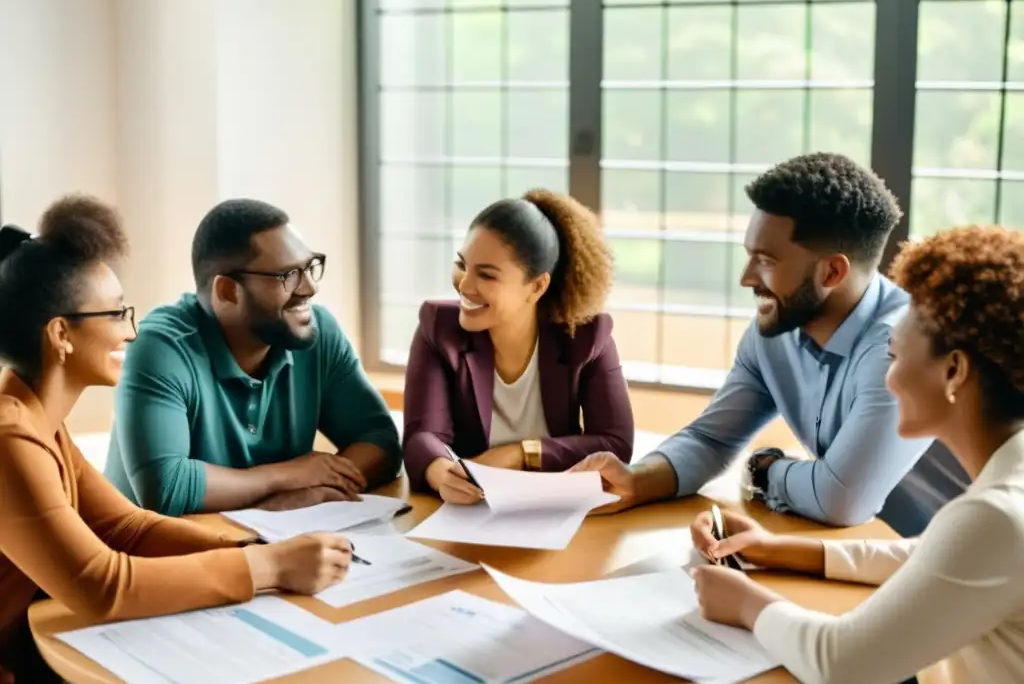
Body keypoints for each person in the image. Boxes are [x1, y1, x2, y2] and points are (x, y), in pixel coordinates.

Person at [0, 197, 354, 684]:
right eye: (117, 312)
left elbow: (124, 526)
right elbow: (103, 585)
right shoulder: (10, 439)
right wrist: (270, 567)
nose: (131, 331)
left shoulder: (37, 419)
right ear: (61, 335)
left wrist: (251, 545)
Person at [689, 225, 1024, 684]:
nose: (886, 377)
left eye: (893, 355)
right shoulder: (1005, 489)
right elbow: (934, 556)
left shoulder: (995, 515)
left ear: (954, 372)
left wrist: (746, 602)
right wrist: (782, 551)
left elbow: (842, 668)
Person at [571, 153, 941, 531]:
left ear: (832, 271)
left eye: (765, 261)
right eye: (749, 256)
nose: (746, 278)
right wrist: (636, 480)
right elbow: (711, 439)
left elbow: (840, 501)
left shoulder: (899, 348)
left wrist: (765, 470)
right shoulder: (775, 334)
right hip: (859, 554)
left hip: (954, 566)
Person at [104, 199, 401, 517]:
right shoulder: (160, 346)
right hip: (153, 554)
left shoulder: (317, 331)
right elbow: (166, 488)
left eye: (309, 266)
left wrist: (311, 495)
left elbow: (379, 441)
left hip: (270, 546)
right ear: (228, 291)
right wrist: (287, 477)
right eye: (288, 275)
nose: (310, 287)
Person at [403, 189, 633, 502]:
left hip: (556, 507)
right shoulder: (438, 329)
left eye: (485, 274)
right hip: (472, 511)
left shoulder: (585, 336)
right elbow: (422, 436)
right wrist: (443, 473)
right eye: (462, 265)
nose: (464, 285)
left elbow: (615, 443)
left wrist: (520, 454)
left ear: (537, 286)